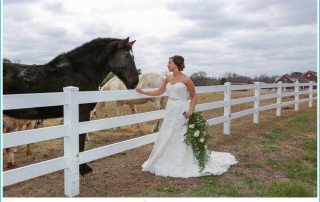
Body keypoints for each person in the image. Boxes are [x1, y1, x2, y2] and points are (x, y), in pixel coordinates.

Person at [135, 55, 237, 178]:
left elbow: (194, 97)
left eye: (170, 63)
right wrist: (144, 92)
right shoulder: (167, 79)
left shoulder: (186, 80)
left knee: (180, 133)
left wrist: (190, 110)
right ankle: (165, 158)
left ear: (177, 64)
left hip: (182, 109)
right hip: (170, 109)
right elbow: (159, 92)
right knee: (167, 132)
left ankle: (181, 160)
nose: (167, 65)